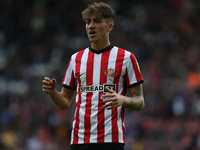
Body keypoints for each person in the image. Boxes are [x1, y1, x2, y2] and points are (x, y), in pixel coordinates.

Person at [42, 2, 145, 150]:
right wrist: (52, 92)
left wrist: (124, 99)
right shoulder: (76, 59)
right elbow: (64, 102)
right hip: (80, 140)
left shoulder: (127, 58)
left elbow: (140, 102)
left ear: (110, 26)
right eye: (88, 22)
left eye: (97, 21)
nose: (91, 26)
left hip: (111, 140)